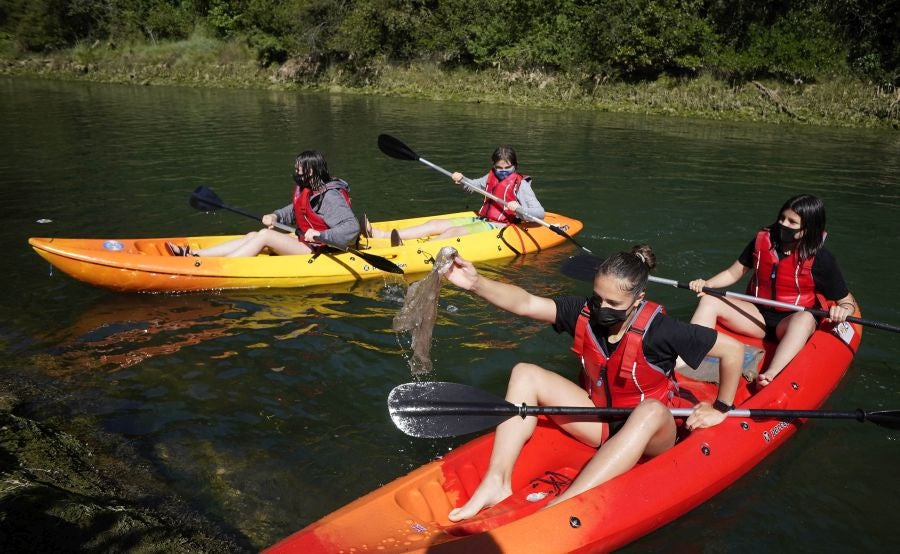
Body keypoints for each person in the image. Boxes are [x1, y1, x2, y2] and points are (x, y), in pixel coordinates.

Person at [442, 245, 743, 522]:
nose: (602, 307)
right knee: (525, 372)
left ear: (638, 299)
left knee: (649, 410)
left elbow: (732, 350)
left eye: (614, 302)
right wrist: (475, 283)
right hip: (599, 420)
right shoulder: (585, 312)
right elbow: (526, 303)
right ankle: (497, 481)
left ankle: (562, 506)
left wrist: (721, 407)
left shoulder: (662, 330)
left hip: (652, 433)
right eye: (598, 297)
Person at [686, 194, 856, 387]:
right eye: (782, 218)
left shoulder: (822, 259)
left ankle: (771, 374)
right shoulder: (763, 241)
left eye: (792, 222)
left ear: (808, 228)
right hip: (756, 316)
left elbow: (846, 300)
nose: (784, 224)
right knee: (709, 300)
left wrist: (844, 310)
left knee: (806, 318)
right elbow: (733, 273)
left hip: (790, 323)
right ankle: (686, 356)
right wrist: (707, 283)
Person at [167, 151, 359, 257]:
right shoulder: (307, 188)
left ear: (311, 172)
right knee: (254, 234)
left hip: (321, 250)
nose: (296, 173)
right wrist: (276, 216)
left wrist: (321, 235)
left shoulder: (330, 196)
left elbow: (351, 228)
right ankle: (196, 255)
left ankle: (220, 266)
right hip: (306, 244)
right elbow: (296, 210)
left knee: (265, 236)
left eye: (299, 170)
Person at [365, 145, 544, 246]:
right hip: (483, 220)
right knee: (434, 224)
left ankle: (414, 250)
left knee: (453, 232)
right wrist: (462, 179)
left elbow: (539, 213)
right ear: (493, 165)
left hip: (501, 225)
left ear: (515, 166)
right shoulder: (491, 176)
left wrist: (520, 209)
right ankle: (381, 235)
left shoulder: (521, 185)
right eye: (499, 168)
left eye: (508, 168)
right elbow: (473, 186)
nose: (503, 172)